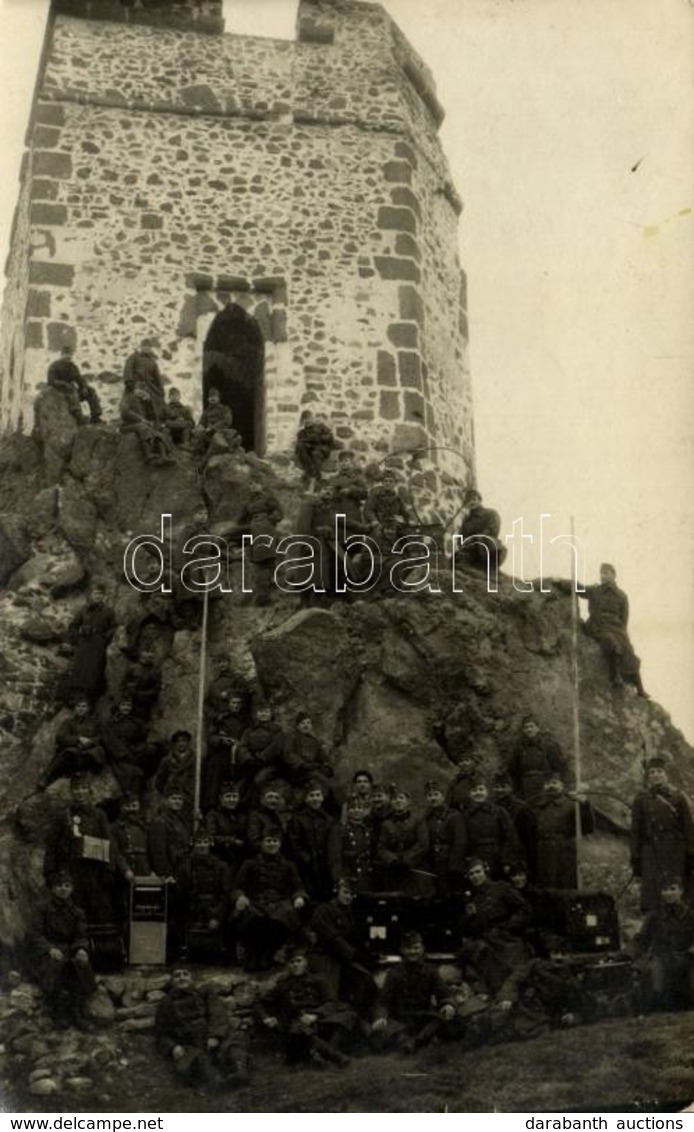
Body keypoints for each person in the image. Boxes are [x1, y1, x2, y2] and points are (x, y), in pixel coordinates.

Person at [43, 775, 119, 927]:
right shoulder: (63, 816)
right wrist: (50, 872)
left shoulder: (99, 815)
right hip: (70, 871)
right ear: (71, 792)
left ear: (89, 791)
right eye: (76, 788)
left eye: (83, 788)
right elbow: (51, 846)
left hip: (94, 871)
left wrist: (109, 870)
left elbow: (109, 843)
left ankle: (98, 947)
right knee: (72, 912)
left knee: (99, 911)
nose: (80, 792)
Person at [155, 966, 249, 1087]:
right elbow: (162, 1032)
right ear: (172, 981)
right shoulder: (166, 1002)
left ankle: (240, 1072)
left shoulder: (205, 992)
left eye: (185, 974)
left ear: (191, 978)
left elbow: (217, 1014)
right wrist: (173, 1047)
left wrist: (215, 1035)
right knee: (196, 1059)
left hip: (212, 1035)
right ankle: (216, 1082)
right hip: (190, 1042)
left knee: (236, 1040)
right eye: (177, 975)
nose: (182, 978)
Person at [258, 946, 353, 1066]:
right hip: (294, 1021)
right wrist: (266, 1017)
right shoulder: (282, 984)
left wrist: (315, 1015)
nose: (295, 965)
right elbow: (260, 1003)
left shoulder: (318, 979)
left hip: (317, 1017)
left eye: (299, 961)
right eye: (292, 962)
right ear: (288, 965)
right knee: (298, 1026)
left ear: (305, 962)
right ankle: (333, 1055)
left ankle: (315, 1054)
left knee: (345, 1018)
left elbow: (331, 1001)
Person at [29, 871, 97, 1030]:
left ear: (72, 889)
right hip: (45, 952)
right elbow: (34, 934)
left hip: (68, 949)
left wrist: (81, 949)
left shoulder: (77, 912)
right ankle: (58, 1013)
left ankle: (76, 1012)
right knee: (55, 965)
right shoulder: (42, 908)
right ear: (52, 889)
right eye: (59, 886)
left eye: (67, 886)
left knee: (81, 965)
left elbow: (81, 935)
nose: (63, 889)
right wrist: (49, 948)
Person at [233, 832, 307, 971]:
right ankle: (254, 955)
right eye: (268, 841)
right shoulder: (250, 863)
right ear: (262, 843)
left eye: (275, 841)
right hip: (256, 901)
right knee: (252, 918)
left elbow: (298, 886)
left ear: (280, 844)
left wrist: (299, 897)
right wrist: (240, 896)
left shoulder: (288, 865)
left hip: (279, 901)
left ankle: (268, 954)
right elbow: (238, 886)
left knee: (283, 916)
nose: (272, 844)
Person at [370, 931, 455, 1053]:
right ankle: (420, 1040)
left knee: (444, 1018)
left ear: (422, 949)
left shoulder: (430, 971)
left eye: (416, 948)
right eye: (409, 949)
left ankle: (414, 1042)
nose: (413, 952)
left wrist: (448, 1004)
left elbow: (444, 993)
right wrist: (381, 1017)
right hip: (401, 1018)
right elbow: (383, 1001)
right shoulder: (394, 973)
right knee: (381, 1030)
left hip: (423, 1016)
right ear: (402, 950)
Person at [630, 757, 694, 912]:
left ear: (666, 775)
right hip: (651, 852)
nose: (655, 775)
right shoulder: (641, 799)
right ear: (648, 776)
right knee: (653, 893)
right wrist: (635, 858)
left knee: (677, 890)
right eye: (652, 772)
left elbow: (689, 828)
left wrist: (691, 854)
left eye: (659, 771)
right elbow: (635, 831)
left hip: (675, 852)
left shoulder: (678, 797)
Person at [573, 563, 647, 696]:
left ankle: (640, 689)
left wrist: (622, 632)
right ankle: (616, 676)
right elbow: (579, 589)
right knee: (612, 643)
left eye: (606, 573)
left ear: (613, 575)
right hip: (597, 625)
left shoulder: (622, 596)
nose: (603, 576)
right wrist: (561, 582)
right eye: (601, 573)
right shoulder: (595, 590)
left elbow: (624, 618)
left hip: (616, 627)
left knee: (629, 651)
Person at [459, 858, 530, 995]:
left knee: (511, 962)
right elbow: (467, 928)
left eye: (478, 872)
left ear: (485, 871)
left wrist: (509, 927)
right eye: (471, 874)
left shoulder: (501, 888)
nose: (475, 876)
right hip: (484, 939)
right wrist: (469, 917)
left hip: (505, 937)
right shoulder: (470, 897)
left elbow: (523, 909)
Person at [310, 877, 378, 1014]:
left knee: (366, 980)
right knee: (329, 993)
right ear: (336, 892)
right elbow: (331, 937)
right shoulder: (323, 910)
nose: (349, 897)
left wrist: (365, 952)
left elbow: (353, 937)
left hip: (342, 957)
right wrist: (353, 954)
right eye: (345, 892)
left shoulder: (350, 912)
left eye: (352, 894)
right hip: (325, 956)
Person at [632, 876, 694, 1011]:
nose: (669, 893)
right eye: (665, 889)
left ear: (681, 891)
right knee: (655, 985)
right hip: (662, 958)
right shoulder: (654, 916)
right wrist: (632, 954)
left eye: (673, 889)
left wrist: (691, 950)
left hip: (686, 958)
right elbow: (642, 939)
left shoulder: (690, 915)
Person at [60, 582, 116, 704]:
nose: (98, 596)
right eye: (96, 593)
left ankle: (90, 700)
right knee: (79, 670)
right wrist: (80, 631)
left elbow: (113, 627)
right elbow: (73, 626)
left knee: (94, 671)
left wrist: (104, 638)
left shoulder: (108, 611)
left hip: (98, 645)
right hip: (83, 644)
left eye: (100, 594)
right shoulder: (83, 610)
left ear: (104, 596)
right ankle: (76, 700)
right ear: (91, 595)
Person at [38, 699, 107, 791]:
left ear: (88, 709)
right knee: (68, 753)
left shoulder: (94, 722)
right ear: (75, 708)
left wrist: (90, 742)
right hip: (74, 751)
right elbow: (61, 737)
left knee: (95, 754)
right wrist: (78, 739)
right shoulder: (69, 722)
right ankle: (46, 779)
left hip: (89, 751)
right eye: (78, 706)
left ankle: (79, 774)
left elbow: (101, 737)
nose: (81, 709)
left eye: (83, 706)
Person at [460, 778, 521, 880]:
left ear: (487, 792)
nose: (478, 793)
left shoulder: (499, 811)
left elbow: (510, 837)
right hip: (477, 856)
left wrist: (506, 859)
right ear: (470, 794)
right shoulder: (465, 815)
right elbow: (464, 840)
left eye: (481, 789)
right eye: (474, 791)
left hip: (498, 856)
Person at [236, 480, 284, 607]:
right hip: (254, 532)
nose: (253, 485)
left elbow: (279, 513)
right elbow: (240, 520)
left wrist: (268, 520)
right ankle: (263, 596)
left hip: (268, 530)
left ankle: (271, 592)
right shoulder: (247, 501)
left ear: (261, 484)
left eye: (256, 483)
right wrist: (249, 526)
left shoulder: (269, 498)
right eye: (251, 484)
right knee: (260, 563)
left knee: (270, 560)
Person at [286, 782, 336, 901]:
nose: (315, 799)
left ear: (322, 798)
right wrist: (306, 858)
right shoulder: (297, 819)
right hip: (305, 868)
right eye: (311, 795)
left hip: (325, 867)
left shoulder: (329, 820)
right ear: (306, 799)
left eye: (317, 795)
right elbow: (293, 843)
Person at [377, 786, 430, 896]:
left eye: (401, 798)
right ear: (391, 802)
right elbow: (381, 847)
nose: (398, 801)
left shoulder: (418, 820)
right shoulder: (386, 823)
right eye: (394, 799)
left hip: (415, 867)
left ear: (408, 801)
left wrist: (407, 861)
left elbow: (423, 844)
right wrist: (393, 860)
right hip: (394, 869)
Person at [533, 774, 581, 890]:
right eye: (548, 784)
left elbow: (586, 825)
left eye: (554, 783)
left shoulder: (571, 805)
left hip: (563, 851)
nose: (551, 786)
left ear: (562, 786)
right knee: (545, 884)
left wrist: (583, 804)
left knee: (564, 884)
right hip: (543, 852)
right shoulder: (538, 807)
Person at [507, 716, 567, 804]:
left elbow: (557, 767)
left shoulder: (549, 745)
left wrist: (554, 783)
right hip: (526, 786)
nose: (529, 730)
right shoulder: (519, 747)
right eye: (526, 727)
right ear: (523, 730)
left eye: (531, 726)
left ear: (537, 728)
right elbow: (514, 770)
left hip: (544, 784)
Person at [420, 781, 465, 894]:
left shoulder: (454, 815)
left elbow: (460, 842)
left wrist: (454, 865)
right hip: (434, 864)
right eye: (429, 795)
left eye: (436, 794)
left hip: (451, 863)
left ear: (443, 796)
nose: (433, 798)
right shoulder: (426, 818)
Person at [119, 376, 174, 465]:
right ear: (135, 390)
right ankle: (148, 455)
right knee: (143, 427)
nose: (141, 393)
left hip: (142, 424)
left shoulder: (143, 401)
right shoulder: (128, 398)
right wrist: (141, 419)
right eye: (139, 390)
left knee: (159, 431)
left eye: (143, 391)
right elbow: (125, 412)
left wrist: (148, 403)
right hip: (128, 425)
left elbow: (152, 417)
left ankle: (163, 456)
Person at [328, 795, 375, 893]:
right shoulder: (340, 829)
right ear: (348, 811)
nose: (357, 811)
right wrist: (339, 878)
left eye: (360, 808)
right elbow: (334, 857)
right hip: (348, 874)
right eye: (353, 808)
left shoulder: (367, 830)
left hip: (365, 876)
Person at [47, 344, 102, 425]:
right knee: (72, 391)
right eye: (66, 354)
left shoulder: (72, 366)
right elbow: (51, 381)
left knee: (91, 391)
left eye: (70, 354)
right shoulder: (54, 366)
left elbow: (79, 378)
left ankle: (95, 416)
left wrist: (84, 387)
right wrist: (65, 385)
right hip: (59, 392)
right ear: (62, 354)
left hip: (71, 392)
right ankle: (78, 417)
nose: (68, 356)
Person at [456, 487, 507, 574]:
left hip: (486, 546)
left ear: (479, 500)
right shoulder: (467, 521)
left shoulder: (490, 513)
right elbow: (461, 537)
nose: (472, 502)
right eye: (468, 500)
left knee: (485, 542)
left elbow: (492, 529)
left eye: (474, 499)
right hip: (470, 549)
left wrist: (475, 539)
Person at [123, 340, 165, 423]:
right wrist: (131, 385)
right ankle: (137, 422)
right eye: (144, 346)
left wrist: (161, 391)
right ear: (141, 347)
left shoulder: (152, 362)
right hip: (136, 385)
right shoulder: (134, 357)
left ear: (150, 349)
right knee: (133, 404)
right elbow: (128, 371)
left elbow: (157, 378)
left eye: (148, 347)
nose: (146, 348)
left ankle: (154, 423)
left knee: (155, 404)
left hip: (149, 386)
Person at [294, 410, 339, 485]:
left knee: (315, 453)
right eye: (305, 419)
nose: (307, 420)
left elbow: (329, 437)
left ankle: (315, 476)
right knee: (300, 447)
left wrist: (318, 438)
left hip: (322, 449)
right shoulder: (301, 432)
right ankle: (310, 471)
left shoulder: (321, 426)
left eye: (309, 418)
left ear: (312, 418)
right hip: (310, 450)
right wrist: (310, 441)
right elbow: (301, 442)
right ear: (302, 421)